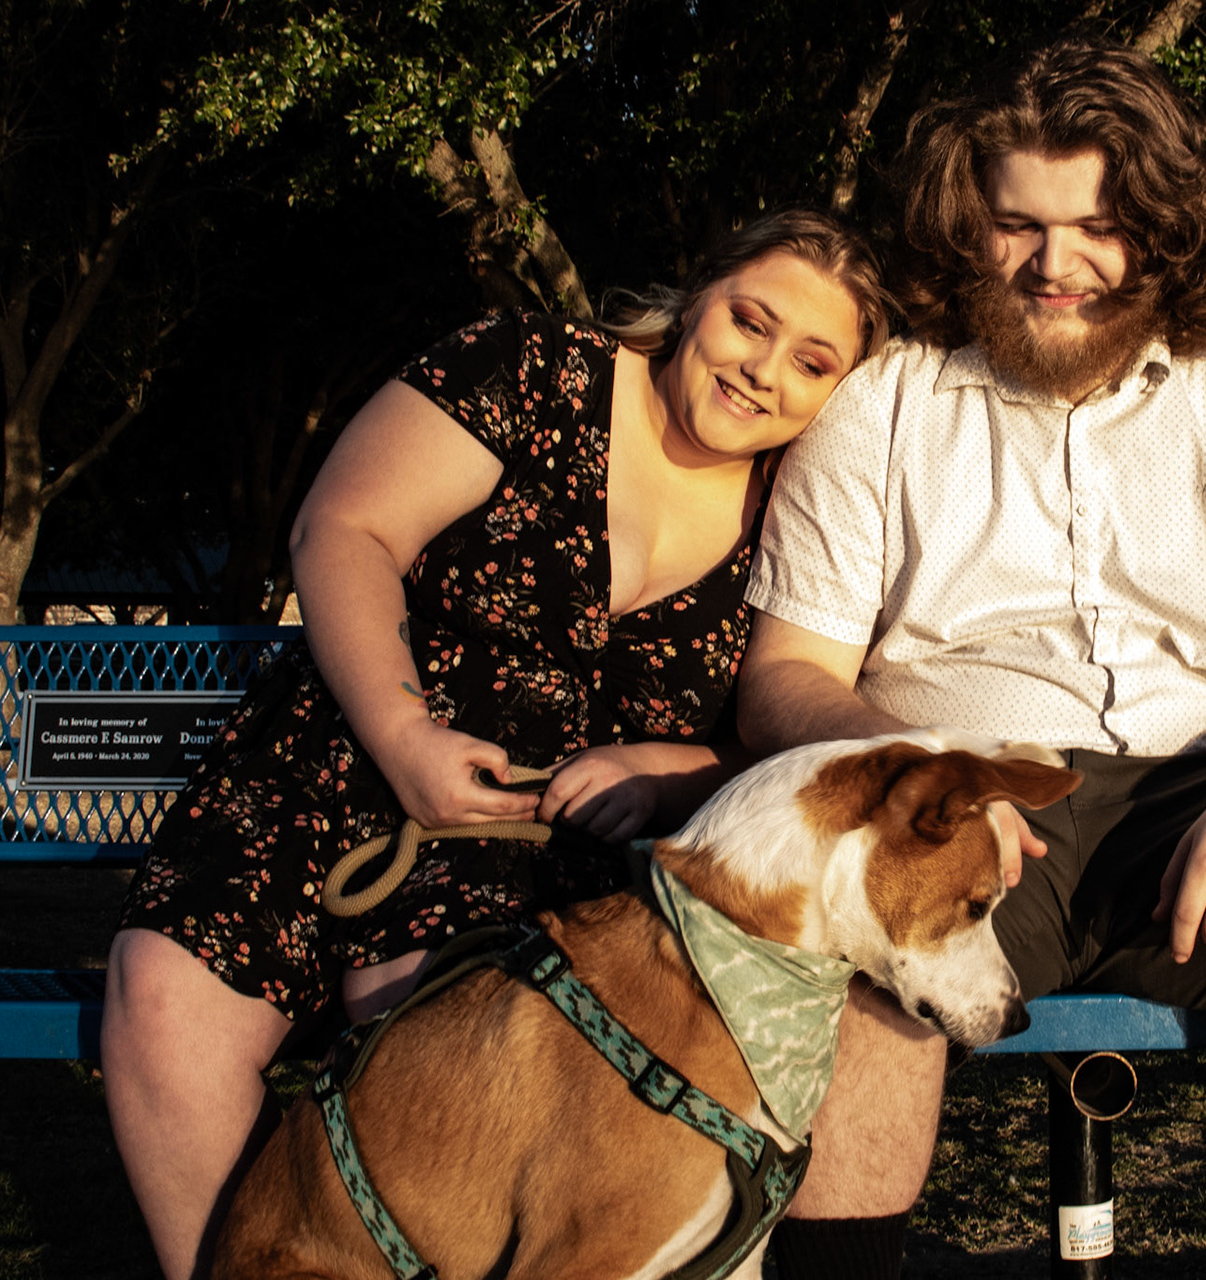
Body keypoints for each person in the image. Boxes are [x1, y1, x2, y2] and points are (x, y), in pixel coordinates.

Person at [737, 41, 1206, 1280]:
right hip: (970, 787)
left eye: (1099, 225)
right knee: (869, 929)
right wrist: (925, 779)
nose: (1057, 264)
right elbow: (785, 674)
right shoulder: (884, 403)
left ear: (1163, 227)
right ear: (967, 222)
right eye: (1018, 225)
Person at [101, 209, 894, 1280]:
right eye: (751, 322)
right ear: (697, 296)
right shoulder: (531, 368)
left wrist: (658, 773)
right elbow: (344, 529)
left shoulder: (802, 512)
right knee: (162, 999)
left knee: (447, 1040)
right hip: (335, 766)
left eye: (812, 362)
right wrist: (402, 735)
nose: (764, 370)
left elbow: (771, 742)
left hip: (535, 845)